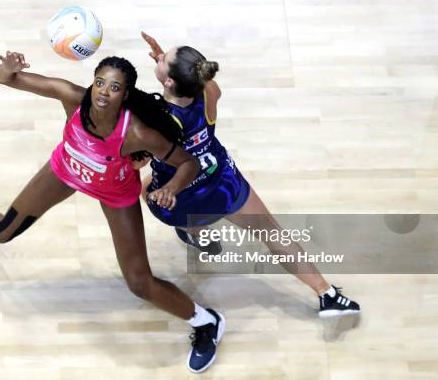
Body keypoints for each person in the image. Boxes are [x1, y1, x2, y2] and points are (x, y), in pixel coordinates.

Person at [0, 51, 225, 373]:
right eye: (99, 83)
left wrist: (172, 188)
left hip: (115, 192)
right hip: (64, 172)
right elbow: (8, 79)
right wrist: (7, 69)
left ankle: (206, 322)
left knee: (140, 283)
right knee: (3, 232)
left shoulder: (138, 133)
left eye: (114, 88)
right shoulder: (72, 97)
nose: (103, 91)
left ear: (125, 95)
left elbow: (188, 162)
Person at [139, 32, 360, 318]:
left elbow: (138, 160)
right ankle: (326, 294)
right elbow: (195, 81)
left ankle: (198, 236)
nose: (161, 55)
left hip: (182, 198)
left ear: (168, 82)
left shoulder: (153, 120)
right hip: (223, 184)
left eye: (165, 58)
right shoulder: (210, 92)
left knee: (146, 189)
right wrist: (165, 65)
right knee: (272, 232)